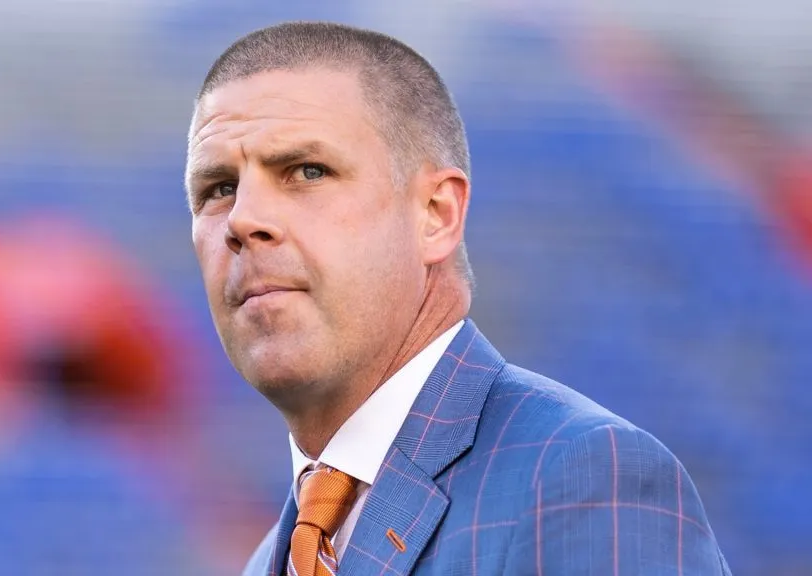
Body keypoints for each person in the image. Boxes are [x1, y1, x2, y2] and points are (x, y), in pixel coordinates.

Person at [186, 20, 731, 576]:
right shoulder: (267, 561)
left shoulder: (583, 479)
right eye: (219, 189)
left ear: (436, 215)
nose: (243, 218)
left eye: (307, 171)